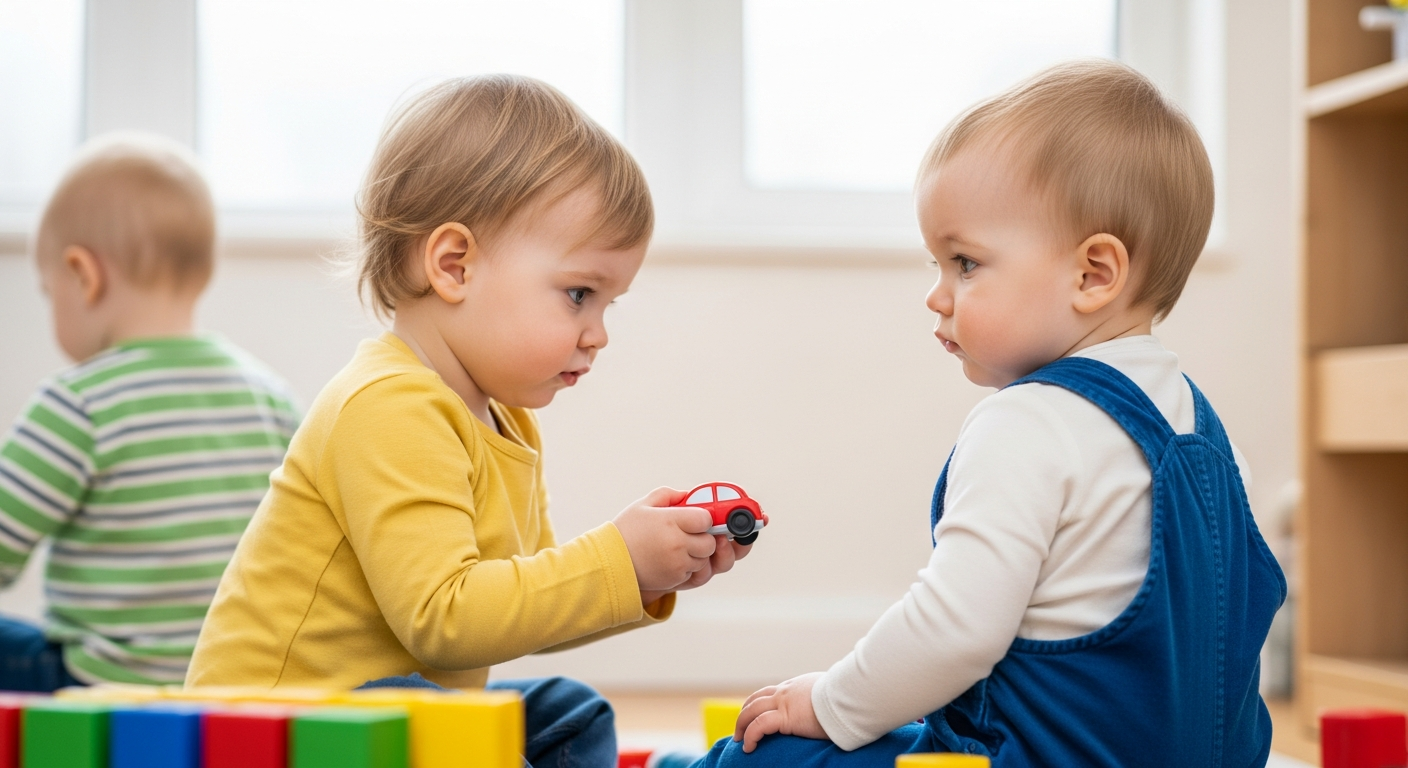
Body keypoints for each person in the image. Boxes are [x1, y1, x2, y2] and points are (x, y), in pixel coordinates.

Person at [697, 60, 1286, 767]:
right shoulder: (1211, 439)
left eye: (966, 264)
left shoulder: (1030, 424)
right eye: (936, 265)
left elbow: (954, 631)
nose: (938, 295)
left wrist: (829, 702)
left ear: (1093, 274)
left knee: (765, 755)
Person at [187, 75, 752, 768]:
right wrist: (616, 555)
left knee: (566, 712)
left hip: (386, 704)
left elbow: (515, 607)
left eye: (608, 304)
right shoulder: (387, 405)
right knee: (461, 737)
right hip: (282, 727)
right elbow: (447, 621)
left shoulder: (502, 418)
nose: (598, 333)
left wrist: (643, 577)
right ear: (454, 265)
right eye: (579, 294)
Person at [0, 134, 299, 689]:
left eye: (48, 292)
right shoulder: (271, 399)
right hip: (234, 685)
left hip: (98, 684)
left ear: (83, 276)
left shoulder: (79, 404)